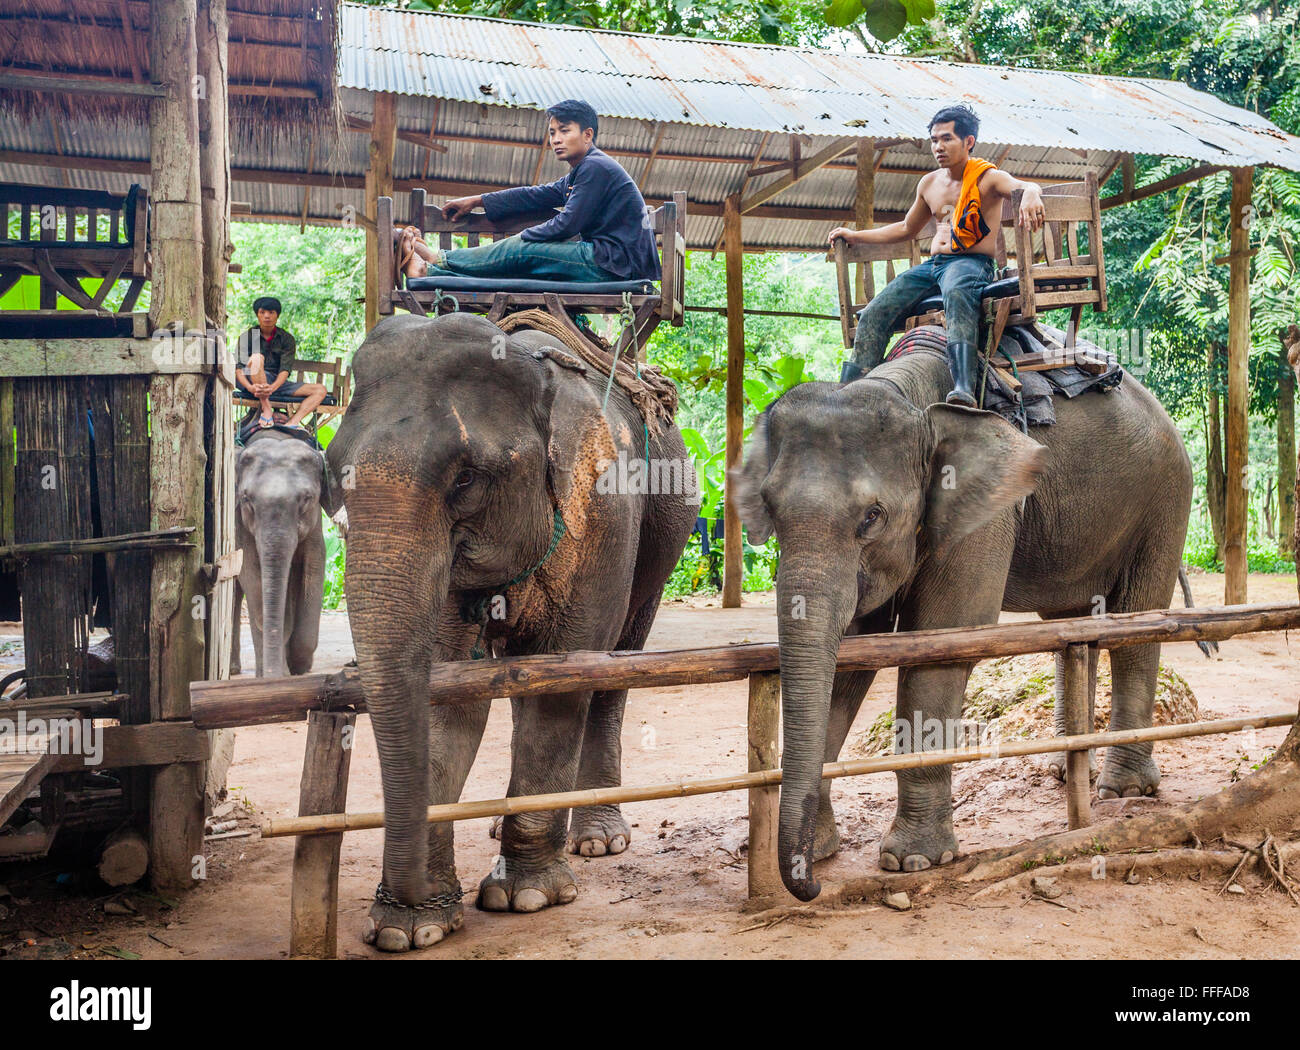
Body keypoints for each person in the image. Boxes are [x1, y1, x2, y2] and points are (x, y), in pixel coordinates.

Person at [828, 104, 1047, 406]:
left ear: (968, 142)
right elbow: (906, 228)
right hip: (934, 266)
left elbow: (1023, 186)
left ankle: (963, 387)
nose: (938, 147)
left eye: (947, 139)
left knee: (957, 293)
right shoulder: (929, 183)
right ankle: (851, 391)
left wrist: (1032, 192)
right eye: (934, 140)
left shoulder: (988, 178)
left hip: (971, 264)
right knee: (875, 309)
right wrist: (855, 235)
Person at [399, 99, 661, 284]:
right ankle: (432, 272)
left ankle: (437, 260)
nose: (556, 139)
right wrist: (478, 200)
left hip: (616, 265)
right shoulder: (582, 171)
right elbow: (535, 194)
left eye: (565, 131)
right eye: (552, 132)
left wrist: (524, 237)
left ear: (587, 134)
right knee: (523, 259)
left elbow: (567, 224)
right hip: (611, 262)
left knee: (524, 251)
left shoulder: (595, 168)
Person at [234, 297, 327, 430]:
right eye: (262, 312)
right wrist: (250, 388)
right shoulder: (247, 337)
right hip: (251, 382)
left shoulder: (286, 339)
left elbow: (285, 370)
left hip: (276, 383)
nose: (267, 316)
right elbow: (238, 369)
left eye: (271, 312)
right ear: (257, 315)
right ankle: (266, 407)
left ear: (277, 315)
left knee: (320, 390)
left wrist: (272, 388)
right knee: (256, 358)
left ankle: (293, 423)